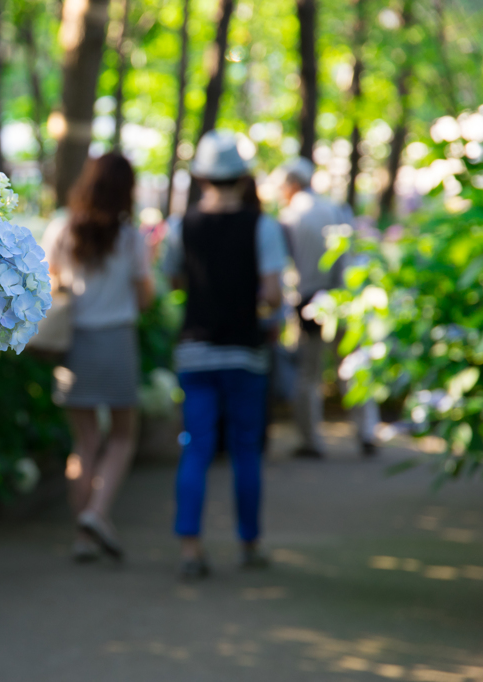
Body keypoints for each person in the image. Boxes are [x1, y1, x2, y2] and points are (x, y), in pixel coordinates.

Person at [162, 130, 287, 580]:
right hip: (244, 352)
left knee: (194, 448)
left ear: (201, 177)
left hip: (194, 351)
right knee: (245, 450)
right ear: (242, 177)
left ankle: (190, 548)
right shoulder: (263, 225)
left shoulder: (181, 226)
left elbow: (172, 280)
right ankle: (249, 543)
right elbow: (273, 294)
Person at [42, 152, 155, 562]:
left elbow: (49, 284)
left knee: (85, 442)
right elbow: (145, 298)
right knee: (123, 436)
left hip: (75, 344)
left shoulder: (61, 228)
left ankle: (83, 537)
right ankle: (97, 512)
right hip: (118, 342)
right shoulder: (130, 238)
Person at [278, 158, 378, 458]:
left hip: (307, 298)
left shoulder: (289, 216)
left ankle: (311, 440)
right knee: (351, 366)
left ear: (292, 184)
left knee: (308, 373)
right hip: (343, 296)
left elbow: (286, 262)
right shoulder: (335, 208)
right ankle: (367, 431)